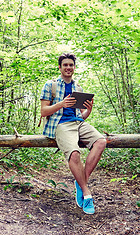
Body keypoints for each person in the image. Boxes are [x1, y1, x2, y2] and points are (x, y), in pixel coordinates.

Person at [40, 53, 106, 214]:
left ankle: (80, 180)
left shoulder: (78, 88)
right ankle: (86, 192)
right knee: (74, 154)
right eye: (65, 65)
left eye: (71, 65)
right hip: (60, 124)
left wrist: (88, 111)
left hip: (78, 123)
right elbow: (43, 111)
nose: (68, 67)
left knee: (101, 141)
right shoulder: (51, 85)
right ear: (60, 67)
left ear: (74, 67)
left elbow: (81, 115)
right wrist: (61, 104)